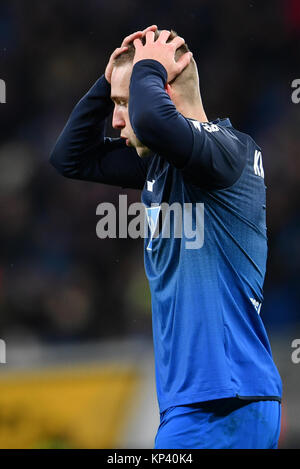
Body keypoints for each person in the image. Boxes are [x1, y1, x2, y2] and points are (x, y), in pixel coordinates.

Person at [50, 25, 282, 449]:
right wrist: (107, 83)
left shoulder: (227, 152)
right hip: (204, 402)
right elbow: (69, 157)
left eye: (124, 104)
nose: (116, 119)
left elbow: (154, 122)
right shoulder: (163, 165)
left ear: (164, 91)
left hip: (222, 400)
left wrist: (149, 65)